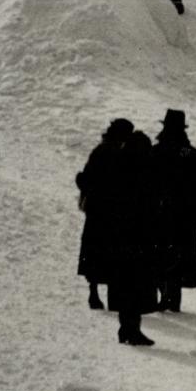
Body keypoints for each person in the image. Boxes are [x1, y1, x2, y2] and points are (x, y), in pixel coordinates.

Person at [76, 117, 134, 312]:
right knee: (113, 253)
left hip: (96, 211)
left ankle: (93, 292)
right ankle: (112, 296)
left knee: (93, 251)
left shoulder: (99, 152)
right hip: (117, 213)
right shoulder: (125, 155)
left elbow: (86, 179)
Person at [109, 131, 160, 346]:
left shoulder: (119, 167)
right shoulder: (145, 170)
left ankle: (126, 328)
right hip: (140, 236)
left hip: (119, 236)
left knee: (123, 284)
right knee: (137, 285)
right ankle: (133, 329)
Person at [153, 109, 196, 312]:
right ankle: (174, 298)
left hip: (159, 212)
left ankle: (164, 295)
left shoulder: (155, 152)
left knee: (160, 253)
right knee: (180, 254)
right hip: (185, 214)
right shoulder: (192, 154)